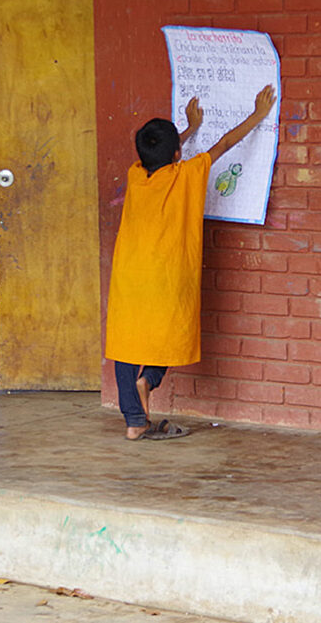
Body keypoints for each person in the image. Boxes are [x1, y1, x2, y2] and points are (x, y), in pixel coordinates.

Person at [106, 85, 276, 440]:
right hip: (168, 273)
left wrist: (188, 130)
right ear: (179, 153)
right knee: (170, 329)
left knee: (126, 341)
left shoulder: (136, 175)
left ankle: (135, 422)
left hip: (129, 274)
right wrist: (259, 116)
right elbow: (226, 144)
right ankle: (149, 379)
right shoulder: (187, 174)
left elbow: (160, 153)